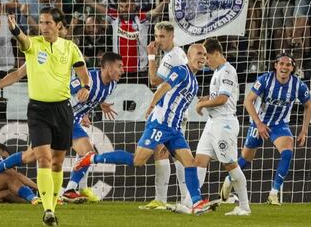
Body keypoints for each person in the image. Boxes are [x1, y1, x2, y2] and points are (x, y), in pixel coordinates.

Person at [74, 44, 215, 215]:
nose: (202, 57)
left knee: (190, 163)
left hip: (175, 129)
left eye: (205, 55)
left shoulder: (194, 81)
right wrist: (152, 105)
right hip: (161, 124)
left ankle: (197, 202)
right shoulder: (182, 70)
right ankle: (92, 158)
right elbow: (163, 87)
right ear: (188, 56)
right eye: (199, 53)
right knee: (137, 161)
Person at [0, 7, 90, 226]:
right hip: (38, 111)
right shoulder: (34, 45)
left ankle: (54, 198)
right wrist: (15, 30)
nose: (44, 27)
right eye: (41, 22)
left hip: (62, 109)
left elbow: (82, 70)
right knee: (43, 158)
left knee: (58, 163)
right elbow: (23, 40)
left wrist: (86, 85)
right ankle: (48, 211)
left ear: (59, 26)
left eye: (48, 23)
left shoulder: (69, 47)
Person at [0, 52, 123, 203]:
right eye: (119, 66)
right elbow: (64, 92)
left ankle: (70, 190)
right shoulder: (87, 78)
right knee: (29, 157)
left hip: (70, 121)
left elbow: (90, 97)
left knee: (87, 153)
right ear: (107, 67)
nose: (123, 70)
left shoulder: (111, 86)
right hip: (53, 117)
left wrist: (97, 104)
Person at [220, 52, 311, 206]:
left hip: (280, 125)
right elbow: (248, 101)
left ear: (292, 68)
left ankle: (273, 194)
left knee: (288, 152)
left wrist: (304, 129)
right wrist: (258, 123)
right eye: (281, 64)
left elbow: (308, 105)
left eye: (288, 64)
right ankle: (229, 179)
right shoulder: (265, 79)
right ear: (275, 65)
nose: (284, 67)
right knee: (244, 160)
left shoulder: (298, 85)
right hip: (259, 122)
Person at [192, 38, 250, 216]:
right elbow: (217, 97)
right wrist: (206, 100)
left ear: (216, 53)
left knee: (230, 165)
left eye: (207, 57)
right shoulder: (217, 71)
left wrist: (203, 105)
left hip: (224, 122)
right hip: (212, 122)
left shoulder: (227, 71)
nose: (204, 61)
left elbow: (223, 99)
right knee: (200, 160)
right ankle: (192, 201)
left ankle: (244, 207)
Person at [141, 21, 189, 210]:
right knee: (174, 153)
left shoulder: (172, 56)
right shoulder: (175, 54)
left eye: (162, 37)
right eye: (157, 36)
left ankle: (163, 199)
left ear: (171, 37)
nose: (158, 40)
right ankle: (184, 198)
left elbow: (154, 81)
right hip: (174, 110)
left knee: (163, 151)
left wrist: (151, 56)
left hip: (171, 112)